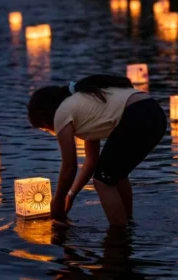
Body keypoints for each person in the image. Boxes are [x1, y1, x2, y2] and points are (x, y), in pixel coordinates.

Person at [27, 74, 167, 226]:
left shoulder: (61, 113)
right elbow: (91, 160)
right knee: (114, 174)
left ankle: (119, 235)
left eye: (45, 129)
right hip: (155, 112)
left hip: (137, 114)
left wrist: (58, 201)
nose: (50, 132)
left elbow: (69, 167)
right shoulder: (82, 105)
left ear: (45, 119)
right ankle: (127, 223)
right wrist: (70, 195)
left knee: (103, 180)